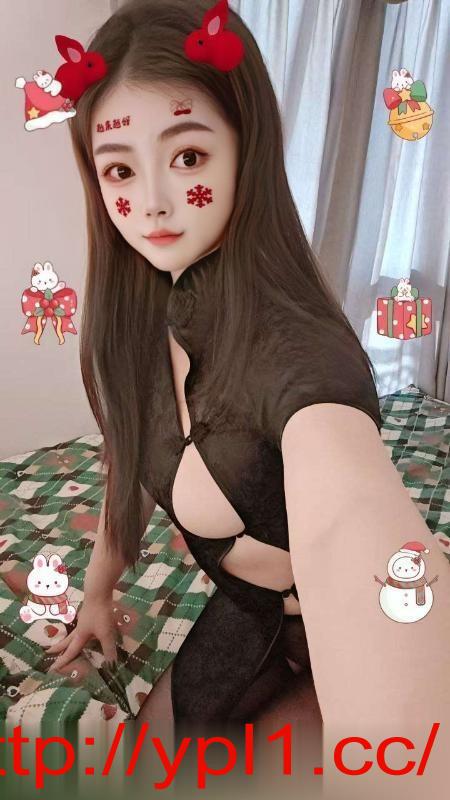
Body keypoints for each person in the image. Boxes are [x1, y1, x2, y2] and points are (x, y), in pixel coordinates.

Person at [44, 2, 447, 783]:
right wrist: (96, 594)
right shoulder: (140, 321)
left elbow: (347, 504)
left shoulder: (296, 352)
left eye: (188, 156)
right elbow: (129, 464)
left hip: (337, 637)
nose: (153, 203)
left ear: (245, 149)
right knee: (144, 776)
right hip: (250, 614)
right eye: (121, 169)